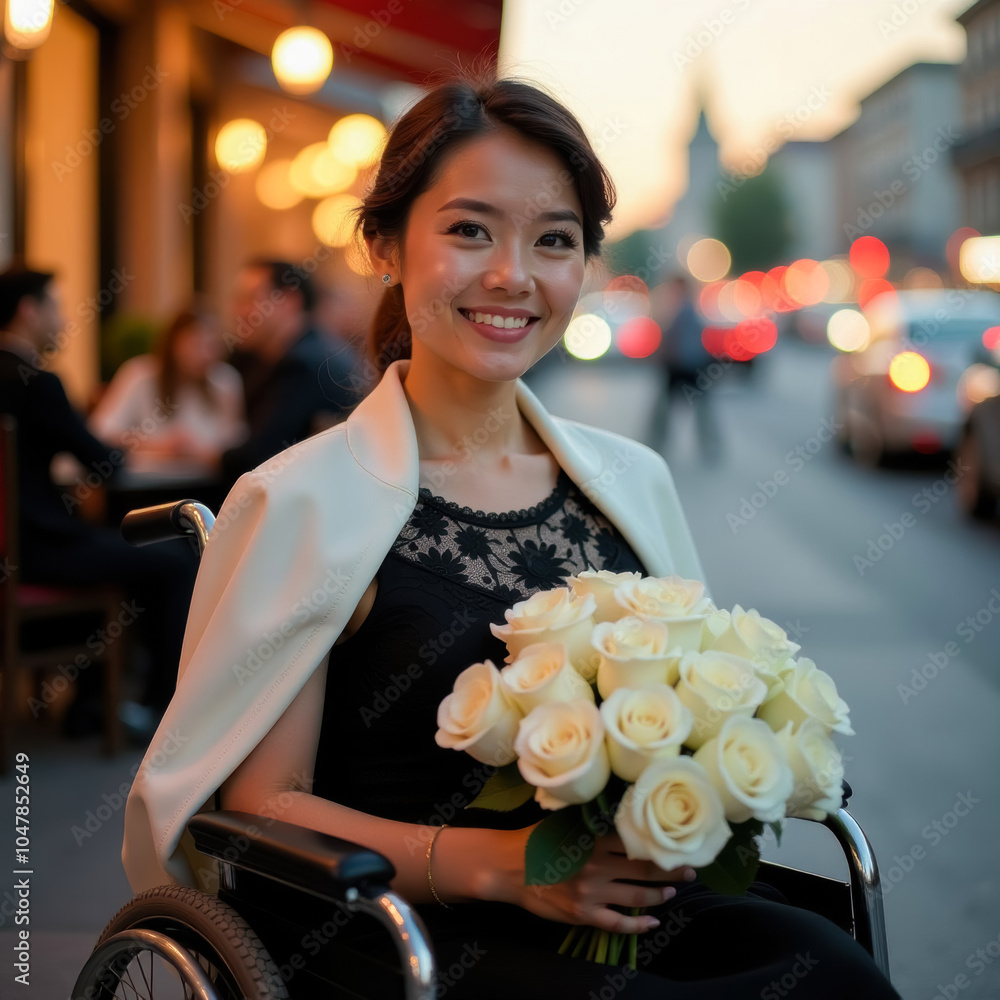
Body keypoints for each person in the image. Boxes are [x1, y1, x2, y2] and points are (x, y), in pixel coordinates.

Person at [121, 76, 899, 998]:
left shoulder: (629, 480)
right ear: (384, 245)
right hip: (404, 923)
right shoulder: (303, 500)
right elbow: (264, 806)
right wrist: (503, 865)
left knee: (834, 975)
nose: (513, 275)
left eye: (554, 241)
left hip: (623, 903)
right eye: (469, 229)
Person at [0, 266, 198, 730]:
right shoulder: (35, 381)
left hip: (16, 548)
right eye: (56, 305)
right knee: (174, 560)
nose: (63, 317)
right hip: (38, 549)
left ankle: (92, 704)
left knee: (118, 551)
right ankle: (163, 710)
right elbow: (104, 462)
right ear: (29, 310)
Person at [219, 259, 359, 488]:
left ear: (290, 301)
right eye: (237, 301)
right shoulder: (262, 359)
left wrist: (195, 451)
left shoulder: (306, 364)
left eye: (250, 299)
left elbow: (260, 457)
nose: (239, 312)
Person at [89, 304, 247, 474]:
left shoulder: (226, 380)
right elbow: (102, 433)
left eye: (211, 345)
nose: (204, 354)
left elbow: (237, 442)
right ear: (173, 343)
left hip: (210, 483)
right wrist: (160, 445)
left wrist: (201, 453)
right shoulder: (140, 375)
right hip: (149, 482)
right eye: (195, 345)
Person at [649, 274, 721, 461]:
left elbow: (675, 340)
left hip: (682, 366)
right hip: (694, 366)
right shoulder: (691, 309)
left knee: (665, 409)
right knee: (701, 410)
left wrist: (663, 355)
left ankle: (655, 444)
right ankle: (710, 446)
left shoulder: (683, 310)